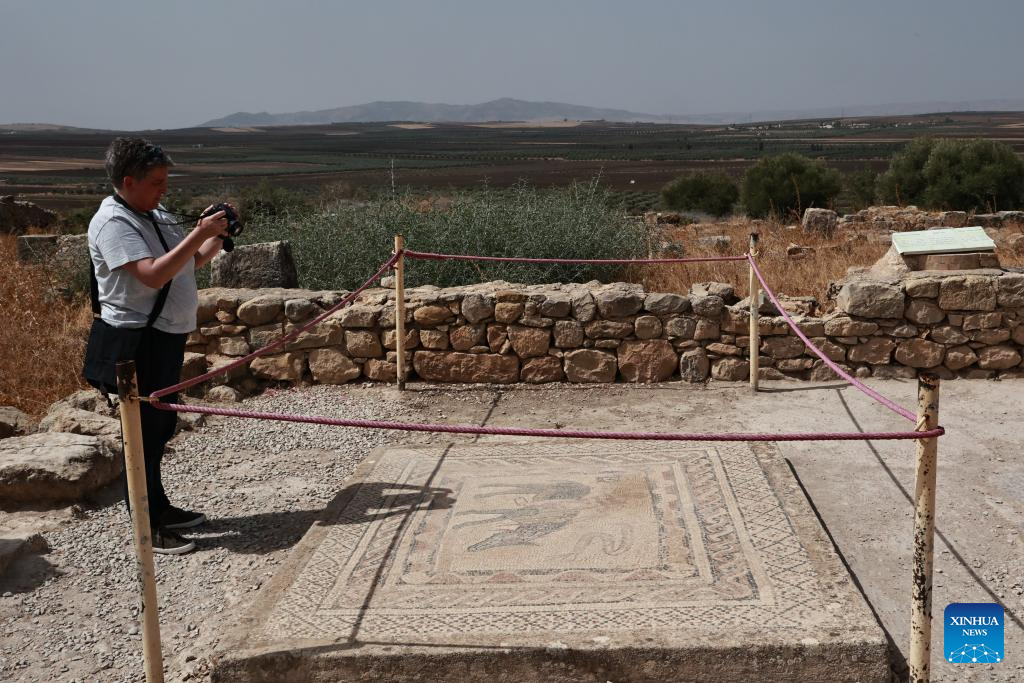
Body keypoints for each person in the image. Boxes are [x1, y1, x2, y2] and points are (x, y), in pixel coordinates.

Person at [85, 137, 232, 554]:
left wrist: (217, 236)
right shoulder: (113, 222)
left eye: (166, 181)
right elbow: (151, 275)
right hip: (136, 340)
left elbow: (188, 263)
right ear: (128, 181)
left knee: (160, 427)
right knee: (143, 432)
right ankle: (147, 527)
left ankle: (160, 506)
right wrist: (198, 232)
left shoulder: (154, 212)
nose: (163, 189)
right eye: (156, 182)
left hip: (164, 335)